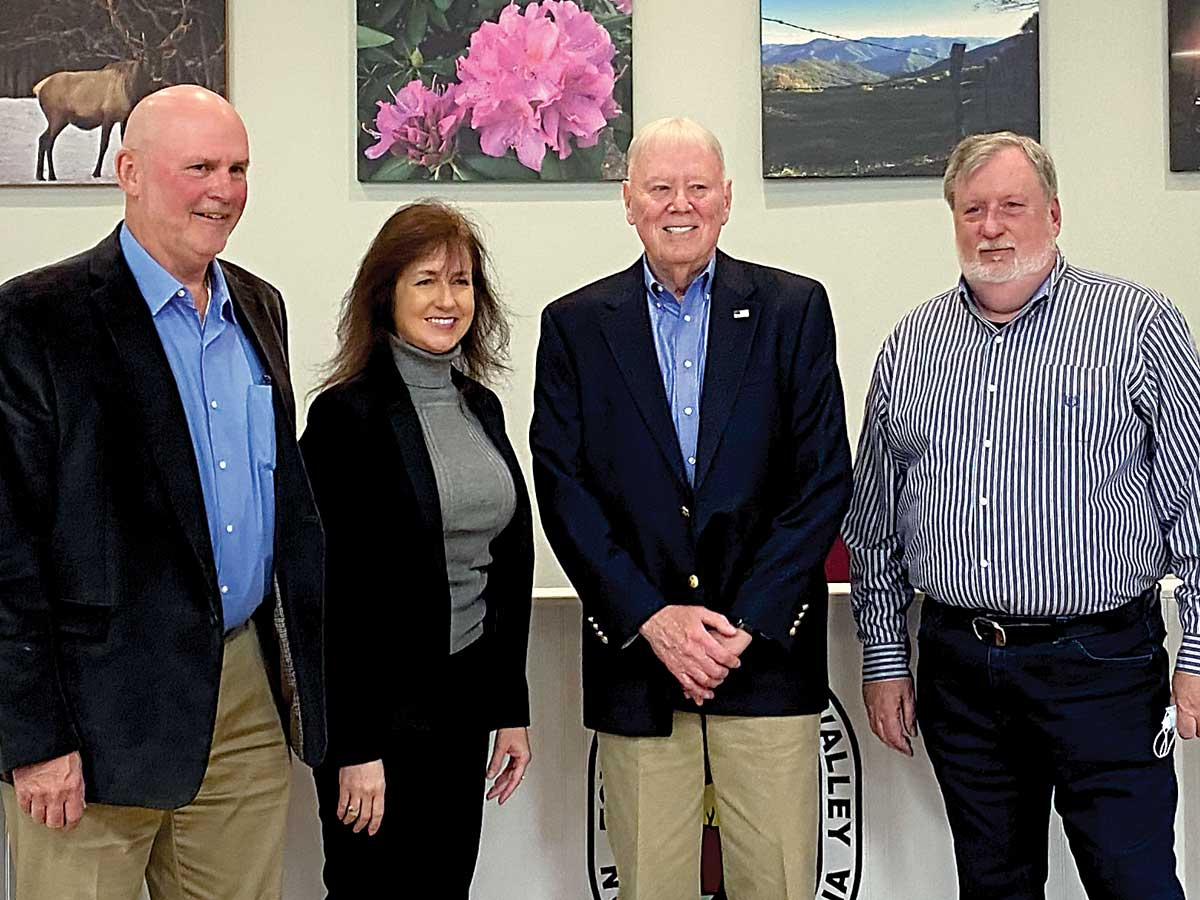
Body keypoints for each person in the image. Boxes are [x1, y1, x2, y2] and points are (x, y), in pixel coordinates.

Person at [845, 131, 1200, 899]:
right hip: (960, 670)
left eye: (1012, 206)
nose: (992, 227)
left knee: (1133, 881)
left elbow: (1194, 500)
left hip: (1101, 667)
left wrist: (1198, 649)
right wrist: (882, 656)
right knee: (993, 886)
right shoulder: (912, 345)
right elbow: (873, 525)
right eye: (973, 210)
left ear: (1055, 214)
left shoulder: (1138, 325)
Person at [0, 85, 325, 900]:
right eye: (200, 167)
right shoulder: (38, 317)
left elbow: (288, 508)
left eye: (239, 168)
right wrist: (33, 738)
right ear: (131, 172)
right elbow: (5, 547)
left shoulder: (260, 306)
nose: (223, 189)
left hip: (244, 700)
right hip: (96, 716)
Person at [530, 117, 851, 900]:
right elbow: (563, 490)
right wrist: (655, 619)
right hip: (639, 663)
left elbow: (822, 481)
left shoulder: (793, 308)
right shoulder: (574, 325)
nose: (681, 205)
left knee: (776, 886)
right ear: (629, 201)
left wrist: (740, 624)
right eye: (661, 188)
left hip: (766, 655)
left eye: (699, 187)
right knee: (647, 888)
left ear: (728, 199)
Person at [300, 201, 534, 899]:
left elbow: (504, 564)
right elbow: (329, 597)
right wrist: (355, 748)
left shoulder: (479, 406)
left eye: (461, 282)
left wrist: (509, 706)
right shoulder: (346, 418)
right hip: (378, 722)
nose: (446, 300)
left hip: (461, 707)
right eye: (425, 280)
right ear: (386, 294)